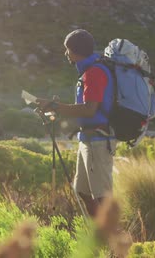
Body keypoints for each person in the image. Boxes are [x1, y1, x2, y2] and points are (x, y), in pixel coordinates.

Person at [36, 29, 115, 217]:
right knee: (82, 191)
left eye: (68, 49)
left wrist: (56, 107)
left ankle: (113, 240)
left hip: (98, 140)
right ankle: (97, 236)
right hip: (88, 138)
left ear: (76, 51)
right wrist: (55, 107)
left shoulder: (94, 73)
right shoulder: (89, 71)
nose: (66, 54)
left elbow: (89, 109)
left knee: (102, 197)